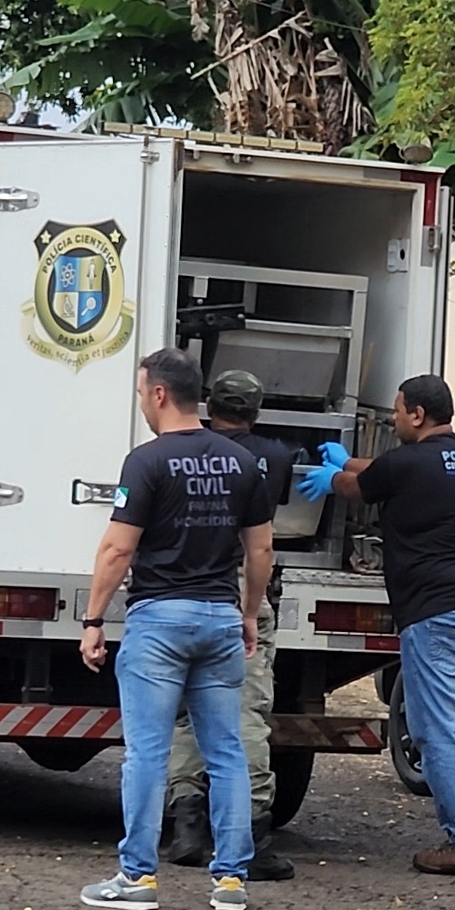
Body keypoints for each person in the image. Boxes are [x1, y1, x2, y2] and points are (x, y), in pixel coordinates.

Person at [298, 374, 455, 879]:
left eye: (397, 409)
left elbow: (361, 486)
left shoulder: (408, 463)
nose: (391, 417)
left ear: (418, 415)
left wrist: (333, 476)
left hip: (439, 615)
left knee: (440, 730)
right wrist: (351, 463)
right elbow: (393, 473)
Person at [78, 348, 273, 910]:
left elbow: (118, 547)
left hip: (159, 620)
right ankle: (232, 880)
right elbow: (259, 549)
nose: (141, 402)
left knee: (147, 753)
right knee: (227, 751)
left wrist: (93, 619)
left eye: (142, 392)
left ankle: (137, 878)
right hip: (218, 620)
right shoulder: (242, 463)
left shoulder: (146, 462)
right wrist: (248, 613)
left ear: (159, 394)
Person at [167, 369, 297, 881]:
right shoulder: (274, 458)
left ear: (207, 405)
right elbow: (261, 543)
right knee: (244, 713)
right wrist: (252, 607)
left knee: (183, 717)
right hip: (240, 588)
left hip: (181, 584)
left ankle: (185, 826)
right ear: (257, 411)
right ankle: (252, 833)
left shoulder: (175, 452)